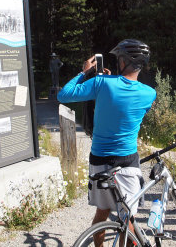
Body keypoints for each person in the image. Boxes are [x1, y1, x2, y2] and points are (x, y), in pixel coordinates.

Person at [57, 39, 156, 246]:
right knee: (127, 217)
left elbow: (64, 94)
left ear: (123, 61)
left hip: (100, 159)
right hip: (127, 161)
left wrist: (84, 72)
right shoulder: (149, 94)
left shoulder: (102, 83)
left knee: (101, 214)